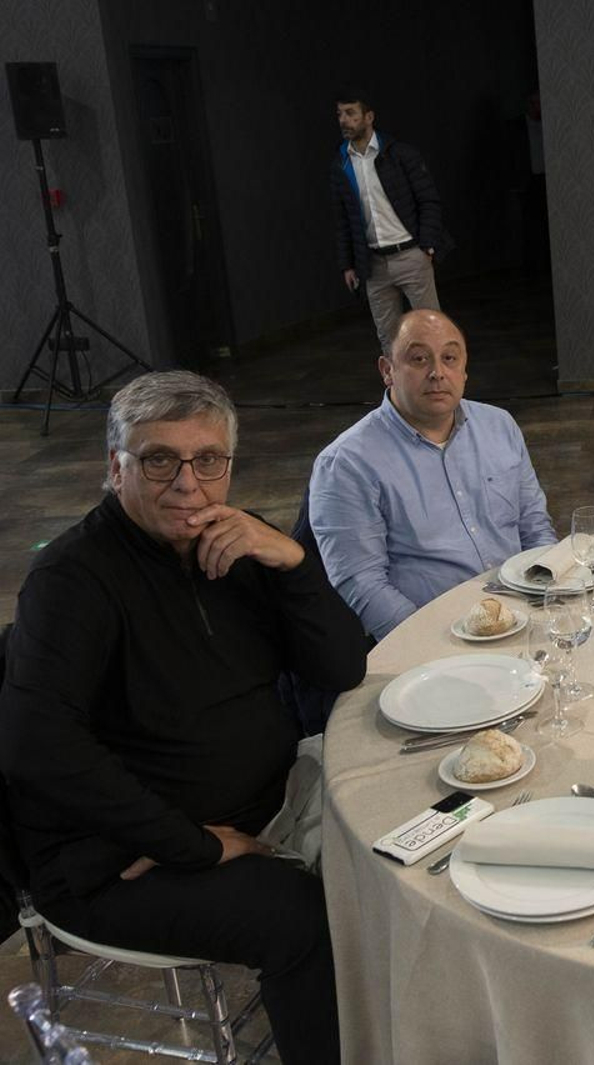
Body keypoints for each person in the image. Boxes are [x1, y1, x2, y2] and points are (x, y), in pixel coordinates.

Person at [0, 371, 367, 1064]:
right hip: (118, 859)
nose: (187, 482)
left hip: (262, 807)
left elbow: (343, 667)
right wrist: (191, 843)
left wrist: (291, 562)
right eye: (158, 458)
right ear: (116, 468)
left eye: (208, 460)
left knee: (398, 837)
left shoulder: (236, 544)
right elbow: (35, 748)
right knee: (303, 919)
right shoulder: (73, 581)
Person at [311, 309, 557, 639]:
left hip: (523, 616)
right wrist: (431, 644)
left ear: (465, 368)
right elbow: (361, 584)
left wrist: (548, 596)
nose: (437, 373)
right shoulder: (347, 463)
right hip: (436, 636)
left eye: (450, 358)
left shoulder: (499, 426)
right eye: (418, 359)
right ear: (388, 370)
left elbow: (534, 526)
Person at [331, 87, 454, 354]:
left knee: (431, 330)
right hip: (374, 264)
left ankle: (439, 392)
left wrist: (428, 245)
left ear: (369, 116)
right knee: (389, 340)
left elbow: (428, 200)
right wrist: (348, 264)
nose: (343, 120)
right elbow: (343, 219)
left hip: (410, 254)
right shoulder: (342, 164)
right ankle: (399, 394)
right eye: (340, 114)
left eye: (351, 113)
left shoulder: (398, 154)